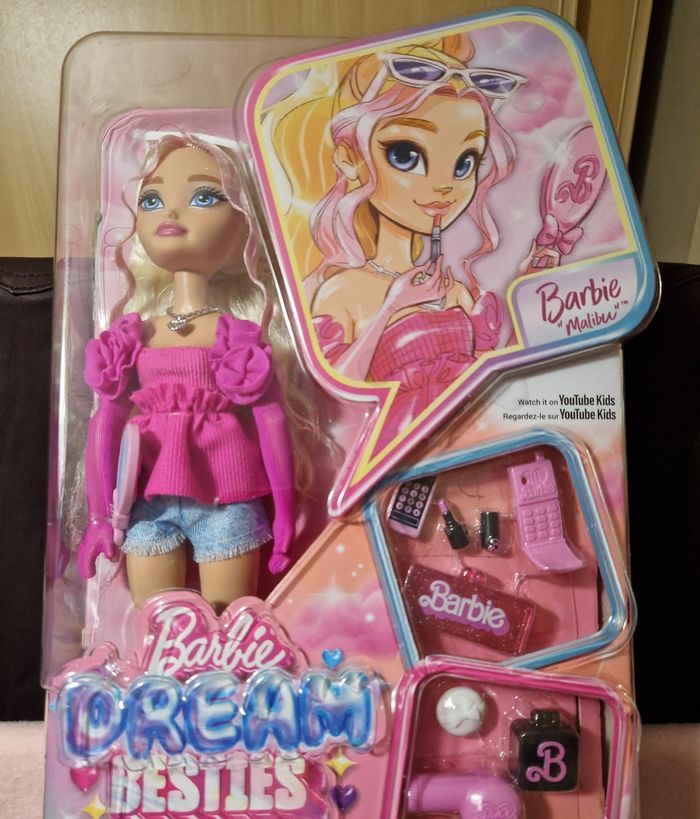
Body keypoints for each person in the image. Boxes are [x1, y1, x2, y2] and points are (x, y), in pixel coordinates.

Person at [76, 134, 300, 612]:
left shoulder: (236, 336)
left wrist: (286, 511)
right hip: (147, 501)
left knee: (229, 623)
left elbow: (272, 422)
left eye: (204, 197)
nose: (170, 214)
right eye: (151, 200)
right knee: (154, 625)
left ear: (244, 225)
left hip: (226, 496)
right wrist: (98, 516)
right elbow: (105, 422)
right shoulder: (132, 335)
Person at [266, 35, 521, 441]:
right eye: (406, 155)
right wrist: (392, 307)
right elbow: (332, 398)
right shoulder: (344, 292)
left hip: (475, 443)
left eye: (465, 162)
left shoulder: (454, 291)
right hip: (390, 452)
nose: (444, 186)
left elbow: (495, 381)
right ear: (349, 159)